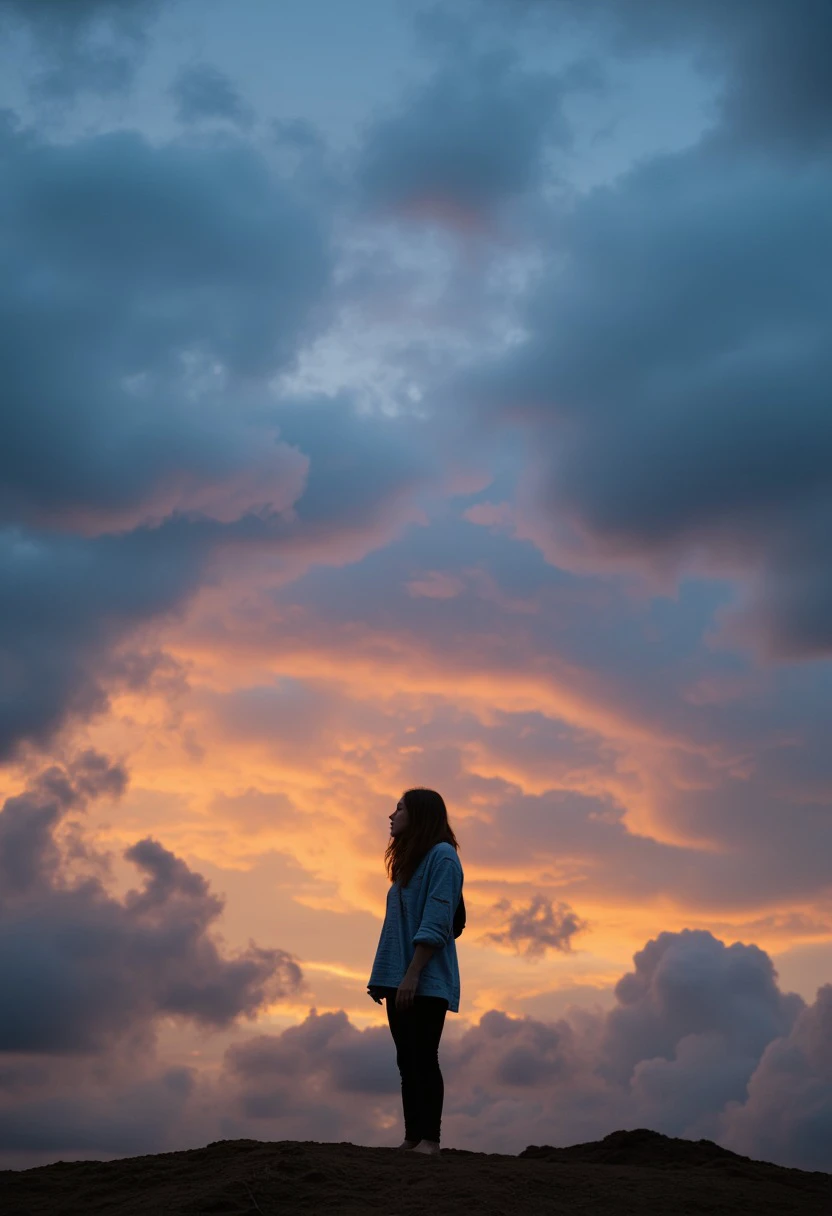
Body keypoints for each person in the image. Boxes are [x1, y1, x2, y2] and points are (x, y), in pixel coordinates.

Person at [367, 787, 463, 1156]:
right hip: (399, 979)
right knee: (406, 1060)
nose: (391, 815)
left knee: (424, 1056)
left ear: (419, 815)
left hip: (425, 978)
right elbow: (395, 929)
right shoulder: (410, 864)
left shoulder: (443, 858)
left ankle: (431, 1141)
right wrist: (384, 977)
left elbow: (437, 922)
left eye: (400, 808)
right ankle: (412, 1137)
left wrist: (412, 975)